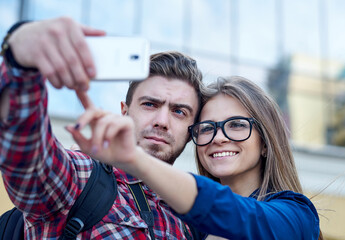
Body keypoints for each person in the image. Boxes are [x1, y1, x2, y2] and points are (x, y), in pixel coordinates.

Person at [0, 17, 204, 239]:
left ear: (192, 129)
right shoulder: (82, 178)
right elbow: (28, 160)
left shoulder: (192, 219)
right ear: (124, 111)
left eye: (179, 111)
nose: (162, 121)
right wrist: (19, 57)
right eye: (149, 104)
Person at [68, 76, 322, 239]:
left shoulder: (296, 216)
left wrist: (135, 159)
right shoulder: (183, 226)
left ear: (265, 142)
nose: (218, 138)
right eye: (207, 128)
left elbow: (238, 215)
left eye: (236, 125)